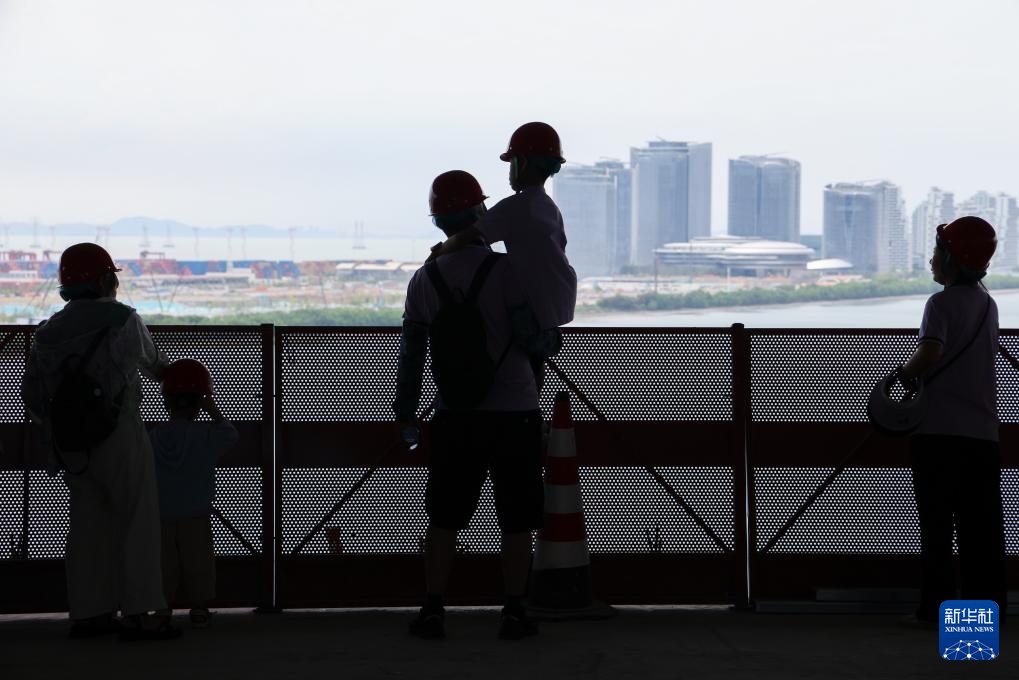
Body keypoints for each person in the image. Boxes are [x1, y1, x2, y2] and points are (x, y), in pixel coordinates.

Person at [393, 170, 544, 640]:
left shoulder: (424, 279)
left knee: (444, 517)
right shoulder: (507, 272)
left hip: (455, 414)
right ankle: (514, 611)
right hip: (515, 411)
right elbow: (538, 342)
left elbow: (412, 352)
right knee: (517, 519)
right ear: (481, 213)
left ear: (438, 221)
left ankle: (434, 608)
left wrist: (406, 414)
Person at [21, 242, 179, 640]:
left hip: (71, 442)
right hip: (120, 433)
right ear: (107, 279)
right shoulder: (122, 319)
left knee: (88, 525)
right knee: (136, 520)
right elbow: (155, 365)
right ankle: (144, 612)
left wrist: (64, 425)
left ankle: (91, 613)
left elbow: (34, 397)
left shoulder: (47, 332)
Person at [894, 216, 1007, 625]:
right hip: (982, 434)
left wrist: (902, 376)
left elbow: (930, 353)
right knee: (982, 533)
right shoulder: (988, 305)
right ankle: (984, 618)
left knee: (938, 530)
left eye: (936, 252)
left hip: (938, 433)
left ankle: (936, 611)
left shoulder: (939, 304)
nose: (930, 261)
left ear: (952, 260)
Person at [429, 122, 578, 382]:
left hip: (532, 305)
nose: (510, 171)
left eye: (512, 163)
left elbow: (468, 237)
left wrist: (436, 254)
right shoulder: (547, 206)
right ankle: (534, 412)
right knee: (534, 365)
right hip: (554, 303)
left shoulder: (515, 207)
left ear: (523, 163)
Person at [151, 359, 238, 628]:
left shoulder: (154, 437)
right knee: (198, 563)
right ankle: (199, 608)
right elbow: (230, 434)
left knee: (163, 565)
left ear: (166, 402)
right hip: (196, 513)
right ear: (198, 404)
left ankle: (162, 610)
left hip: (161, 514)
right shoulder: (205, 436)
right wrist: (212, 409)